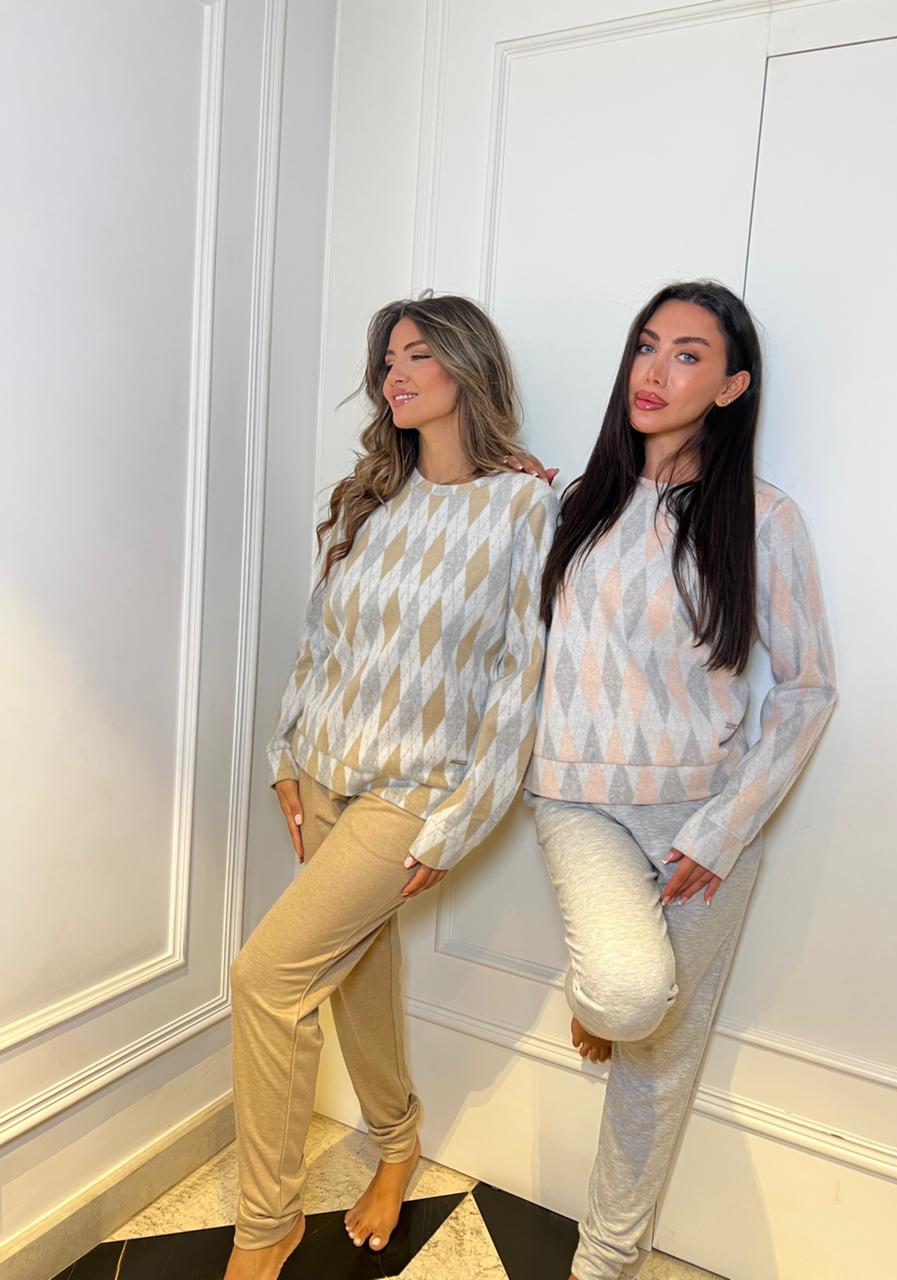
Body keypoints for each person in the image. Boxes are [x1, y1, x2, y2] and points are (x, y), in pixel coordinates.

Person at [224, 293, 558, 1280]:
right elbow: (322, 637)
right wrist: (284, 755)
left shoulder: (525, 506)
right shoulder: (375, 494)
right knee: (355, 969)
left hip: (414, 792)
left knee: (266, 978)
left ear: (465, 366)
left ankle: (265, 1224)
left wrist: (457, 825)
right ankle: (399, 1139)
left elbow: (519, 685)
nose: (393, 374)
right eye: (385, 361)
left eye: (415, 355)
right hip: (323, 768)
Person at [524, 280, 836, 1280]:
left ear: (733, 384)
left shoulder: (763, 516)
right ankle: (606, 994)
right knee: (625, 994)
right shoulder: (575, 501)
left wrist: (724, 826)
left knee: (660, 1062)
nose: (654, 372)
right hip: (576, 797)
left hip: (702, 820)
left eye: (689, 354)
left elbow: (807, 687)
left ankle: (606, 1261)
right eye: (645, 346)